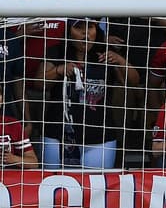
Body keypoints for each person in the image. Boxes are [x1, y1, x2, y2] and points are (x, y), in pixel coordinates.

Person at [40, 17, 137, 169]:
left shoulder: (106, 55)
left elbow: (133, 82)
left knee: (96, 189)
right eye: (78, 28)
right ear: (68, 31)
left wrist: (120, 60)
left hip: (99, 137)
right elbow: (38, 83)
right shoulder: (57, 51)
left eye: (90, 27)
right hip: (58, 135)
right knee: (55, 185)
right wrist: (58, 70)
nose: (85, 32)